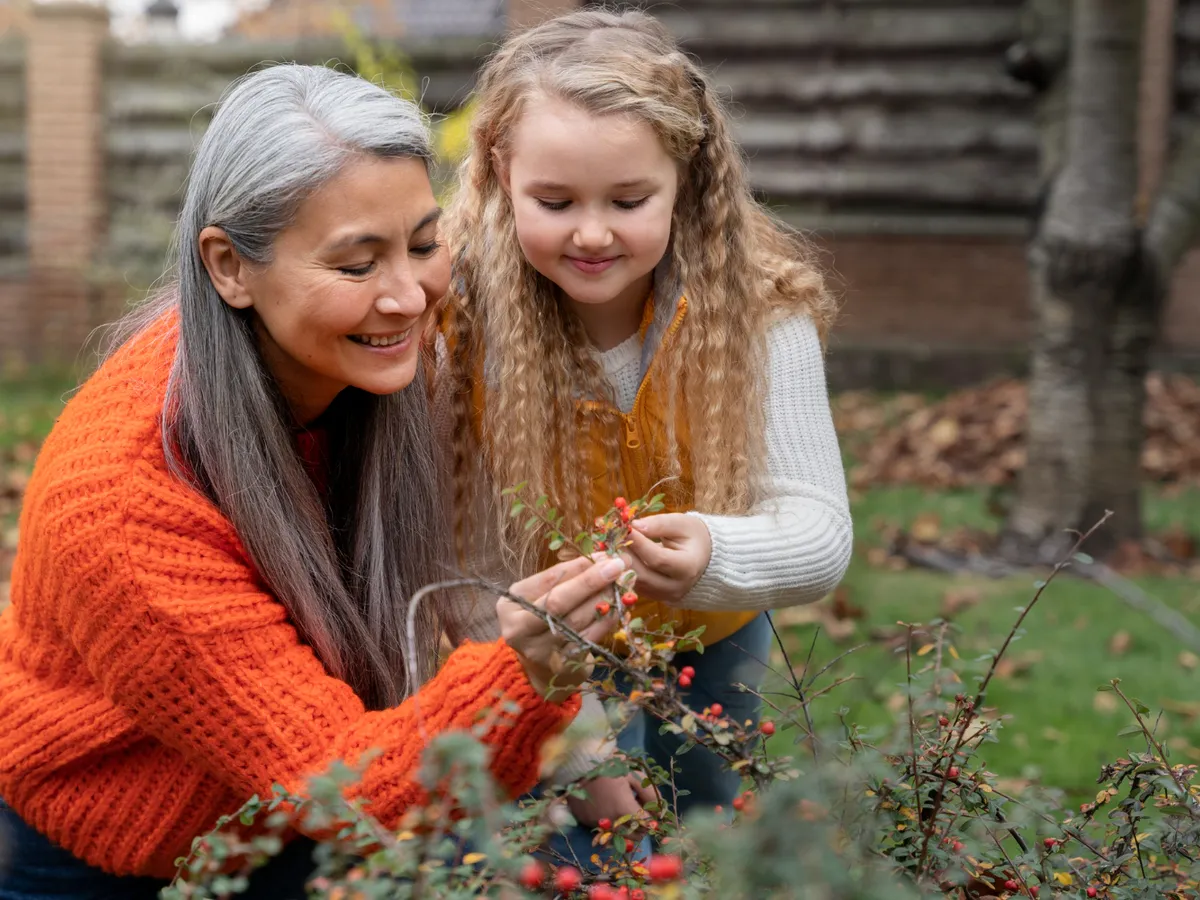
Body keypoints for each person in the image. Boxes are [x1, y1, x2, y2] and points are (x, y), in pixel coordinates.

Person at [0, 64, 622, 899]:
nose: (408, 296)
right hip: (122, 851)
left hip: (288, 800)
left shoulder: (366, 366)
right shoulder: (125, 507)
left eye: (425, 245)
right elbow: (347, 790)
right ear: (228, 267)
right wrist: (525, 677)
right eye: (357, 265)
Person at [439, 8, 854, 853]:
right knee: (586, 846)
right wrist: (578, 733)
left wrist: (712, 553)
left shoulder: (762, 316)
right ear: (498, 176)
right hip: (547, 654)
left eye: (629, 200)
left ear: (686, 183)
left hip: (715, 639)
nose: (592, 233)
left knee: (713, 831)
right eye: (554, 202)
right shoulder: (457, 329)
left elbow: (821, 531)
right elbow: (467, 566)